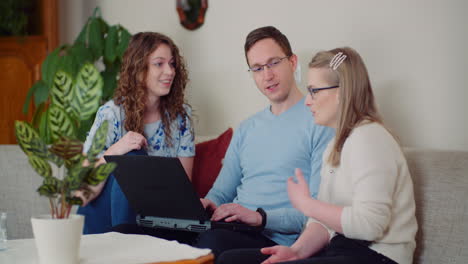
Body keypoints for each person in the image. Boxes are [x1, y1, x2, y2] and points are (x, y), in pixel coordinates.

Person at [216, 47, 418, 264]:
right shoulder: (335, 145)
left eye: (314, 91)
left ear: (341, 93)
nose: (307, 101)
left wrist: (307, 204)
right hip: (341, 251)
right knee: (230, 260)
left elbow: (369, 226)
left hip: (378, 257)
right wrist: (296, 252)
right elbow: (323, 222)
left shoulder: (370, 138)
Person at [193, 26, 334, 256]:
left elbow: (319, 214)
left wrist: (260, 218)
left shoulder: (320, 122)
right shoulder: (246, 128)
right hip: (232, 228)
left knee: (211, 242)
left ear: (293, 62)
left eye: (274, 63)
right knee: (142, 232)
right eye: (257, 68)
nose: (267, 75)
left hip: (274, 238)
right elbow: (221, 192)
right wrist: (208, 203)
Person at [76, 32, 195, 234]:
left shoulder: (181, 118)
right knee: (131, 157)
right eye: (159, 63)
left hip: (156, 218)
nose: (170, 71)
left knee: (137, 162)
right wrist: (114, 152)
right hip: (103, 223)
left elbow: (183, 190)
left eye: (172, 64)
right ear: (139, 70)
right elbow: (81, 194)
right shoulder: (110, 115)